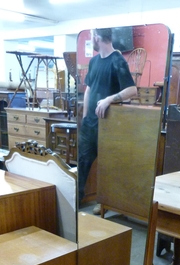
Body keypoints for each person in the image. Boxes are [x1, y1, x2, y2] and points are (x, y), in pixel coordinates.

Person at [78, 28, 138, 212]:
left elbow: (132, 90)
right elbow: (89, 89)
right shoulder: (94, 61)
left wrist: (109, 99)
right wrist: (85, 116)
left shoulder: (117, 60)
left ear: (97, 37)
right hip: (90, 123)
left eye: (91, 37)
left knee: (106, 165)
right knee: (82, 161)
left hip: (108, 124)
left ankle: (105, 203)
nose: (90, 40)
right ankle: (76, 199)